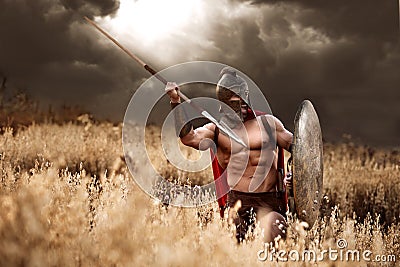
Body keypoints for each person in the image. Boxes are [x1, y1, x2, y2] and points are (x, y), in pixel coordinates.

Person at [165, 67, 293, 243]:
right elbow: (189, 138)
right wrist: (175, 101)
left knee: (274, 230)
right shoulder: (216, 130)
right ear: (222, 103)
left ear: (246, 98)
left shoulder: (269, 124)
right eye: (231, 102)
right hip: (237, 203)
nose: (237, 105)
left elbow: (301, 150)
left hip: (269, 202)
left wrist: (295, 177)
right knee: (233, 245)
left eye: (239, 100)